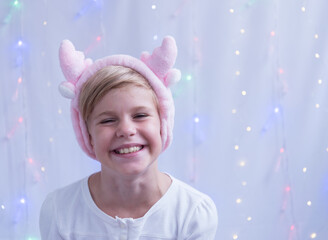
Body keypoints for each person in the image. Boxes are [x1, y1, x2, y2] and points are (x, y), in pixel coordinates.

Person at [39, 36, 218, 240]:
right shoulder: (60, 211)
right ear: (87, 135)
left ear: (163, 123)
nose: (126, 130)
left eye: (140, 115)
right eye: (107, 120)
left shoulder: (192, 212)